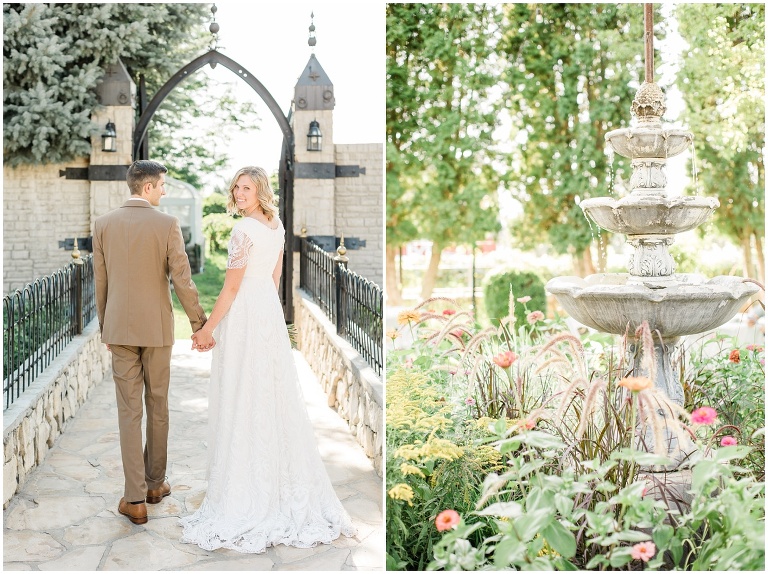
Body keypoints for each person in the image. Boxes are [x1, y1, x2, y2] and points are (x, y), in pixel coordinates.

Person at [179, 166, 356, 553]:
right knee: (269, 393)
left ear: (260, 191)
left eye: (247, 187)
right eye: (236, 187)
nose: (239, 193)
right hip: (265, 312)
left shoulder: (244, 231)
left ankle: (245, 493)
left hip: (245, 313)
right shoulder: (276, 224)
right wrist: (267, 314)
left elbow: (230, 287)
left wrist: (208, 329)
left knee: (244, 392)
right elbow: (274, 277)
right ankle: (270, 483)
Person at [93, 160, 209, 525]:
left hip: (120, 332)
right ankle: (156, 485)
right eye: (161, 185)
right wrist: (198, 323)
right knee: (157, 405)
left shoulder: (102, 225)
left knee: (129, 412)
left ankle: (135, 500)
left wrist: (105, 327)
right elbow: (182, 280)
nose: (164, 191)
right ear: (146, 188)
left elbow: (101, 282)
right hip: (158, 331)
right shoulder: (167, 224)